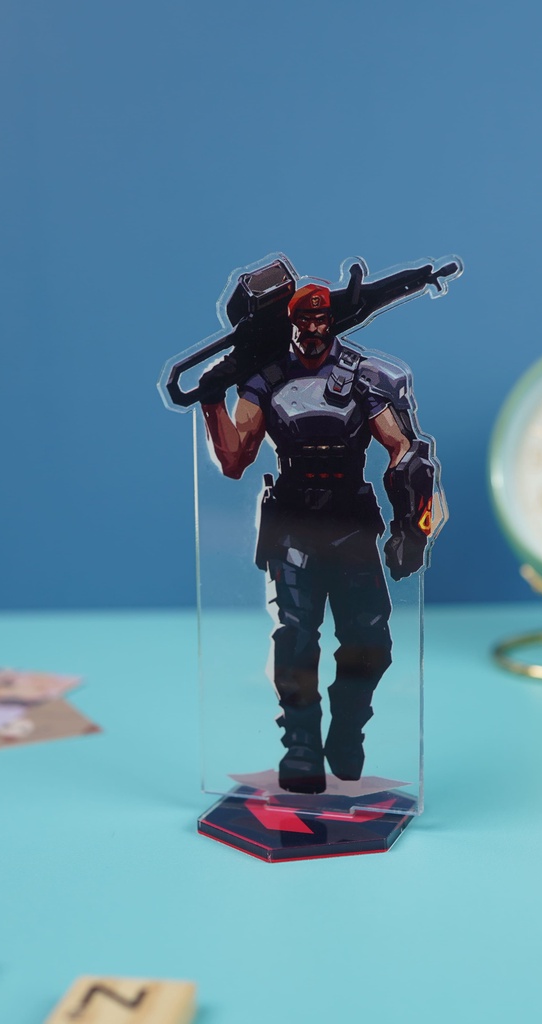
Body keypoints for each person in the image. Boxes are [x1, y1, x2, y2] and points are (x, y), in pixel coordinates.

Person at [199, 282, 437, 794]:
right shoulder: (266, 379)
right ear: (289, 323)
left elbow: (402, 448)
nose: (312, 328)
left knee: (370, 641)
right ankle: (301, 747)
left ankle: (347, 730)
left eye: (320, 319)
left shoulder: (361, 376)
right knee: (296, 639)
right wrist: (212, 400)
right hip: (293, 526)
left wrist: (410, 527)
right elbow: (235, 460)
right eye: (303, 320)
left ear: (332, 321)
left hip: (351, 525)